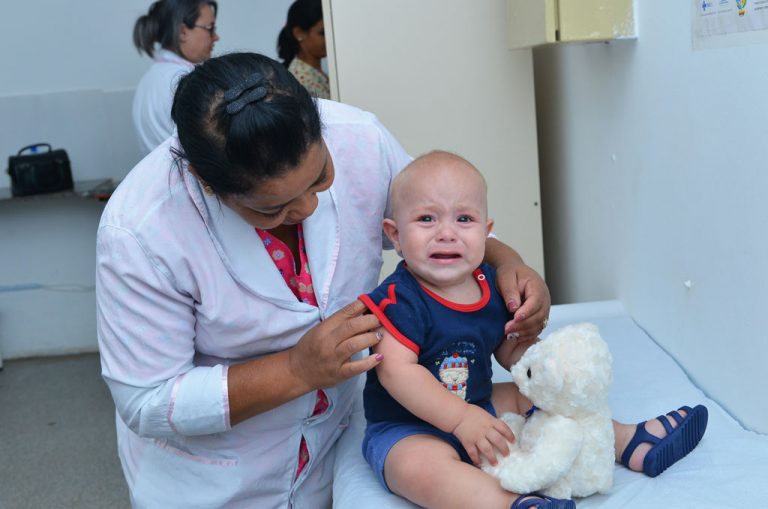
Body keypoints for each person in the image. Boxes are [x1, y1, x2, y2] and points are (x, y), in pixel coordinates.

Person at [96, 53, 550, 508]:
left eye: (320, 178)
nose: (307, 208)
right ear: (207, 184)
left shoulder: (360, 140)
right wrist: (295, 370)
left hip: (335, 445)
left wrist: (508, 260)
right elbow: (148, 400)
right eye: (271, 209)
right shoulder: (140, 227)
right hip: (217, 480)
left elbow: (438, 213)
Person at [359, 151, 709, 509]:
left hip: (479, 404)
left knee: (535, 394)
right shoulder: (397, 299)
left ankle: (625, 441)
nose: (446, 233)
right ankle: (511, 503)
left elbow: (509, 349)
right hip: (407, 426)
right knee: (422, 470)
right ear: (395, 235)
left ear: (486, 231)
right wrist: (460, 418)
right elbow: (396, 372)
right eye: (426, 219)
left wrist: (544, 366)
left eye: (464, 219)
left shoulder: (491, 284)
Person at [132, 0, 220, 155]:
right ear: (182, 32)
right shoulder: (183, 80)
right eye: (210, 28)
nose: (216, 37)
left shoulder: (149, 79)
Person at [277, 0, 330, 99]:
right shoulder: (302, 80)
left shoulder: (313, 73)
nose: (329, 38)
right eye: (322, 33)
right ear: (299, 33)